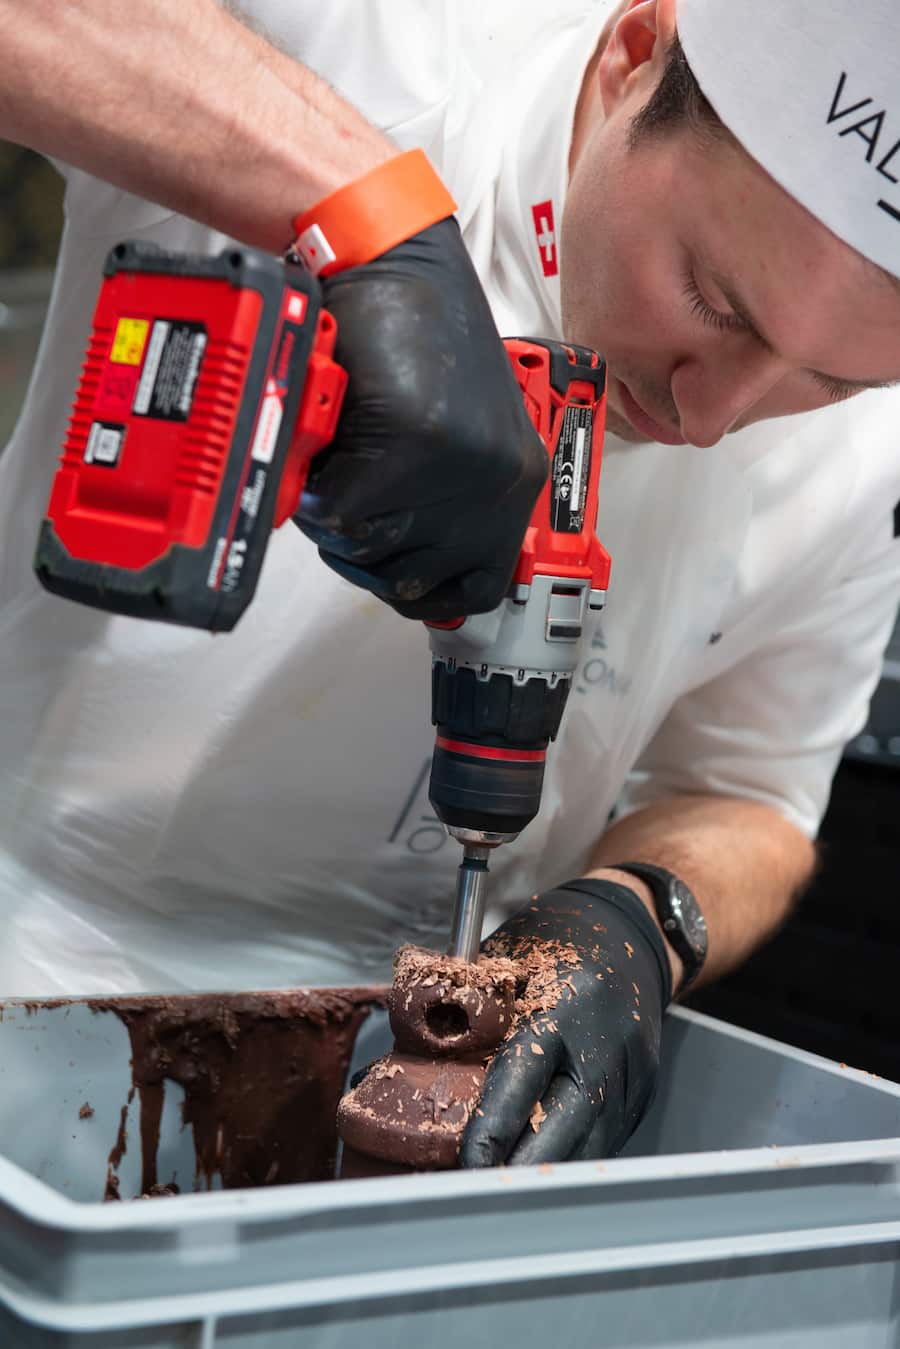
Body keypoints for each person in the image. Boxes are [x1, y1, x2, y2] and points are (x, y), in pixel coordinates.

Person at [1, 0, 899, 1165]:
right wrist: (364, 213)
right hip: (37, 957)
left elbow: (753, 795)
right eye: (712, 298)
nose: (712, 414)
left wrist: (635, 916)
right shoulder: (362, 40)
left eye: (829, 379)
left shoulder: (861, 465)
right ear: (632, 59)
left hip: (429, 1081)